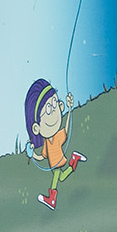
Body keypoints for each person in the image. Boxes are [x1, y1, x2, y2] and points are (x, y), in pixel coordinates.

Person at [23, 78, 86, 210]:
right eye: (49, 110)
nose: (56, 111)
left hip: (58, 163)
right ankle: (74, 160)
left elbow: (66, 131)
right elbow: (42, 157)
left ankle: (52, 198)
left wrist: (69, 110)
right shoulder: (47, 143)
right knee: (62, 177)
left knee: (57, 179)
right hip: (54, 165)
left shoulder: (57, 137)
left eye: (55, 104)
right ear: (36, 128)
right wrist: (32, 154)